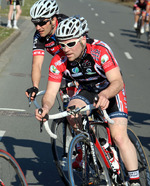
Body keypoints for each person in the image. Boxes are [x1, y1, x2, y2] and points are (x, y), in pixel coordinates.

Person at [35, 16, 140, 186]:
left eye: (71, 44)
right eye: (62, 44)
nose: (66, 49)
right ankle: (88, 143)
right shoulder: (58, 60)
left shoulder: (100, 50)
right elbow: (51, 92)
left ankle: (134, 180)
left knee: (119, 137)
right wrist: (45, 107)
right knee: (72, 111)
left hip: (110, 90)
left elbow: (118, 81)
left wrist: (106, 95)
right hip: (88, 90)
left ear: (83, 39)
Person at [25, 0, 68, 101]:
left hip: (81, 63)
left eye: (42, 23)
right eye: (35, 23)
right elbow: (37, 64)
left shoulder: (65, 25)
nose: (38, 27)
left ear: (53, 19)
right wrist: (35, 87)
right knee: (67, 103)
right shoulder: (39, 35)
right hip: (62, 66)